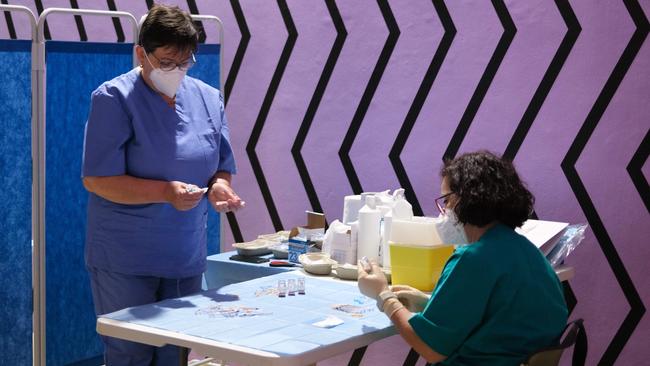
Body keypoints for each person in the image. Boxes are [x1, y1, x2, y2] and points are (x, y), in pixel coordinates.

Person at [81, 4, 243, 365]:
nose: (177, 70)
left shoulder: (207, 98)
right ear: (141, 53)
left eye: (186, 62)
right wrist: (164, 192)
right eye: (167, 61)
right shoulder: (114, 98)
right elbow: (96, 179)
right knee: (130, 354)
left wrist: (219, 186)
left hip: (183, 254)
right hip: (125, 257)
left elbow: (220, 165)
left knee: (175, 353)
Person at [358, 151, 568, 365]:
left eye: (447, 200)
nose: (444, 210)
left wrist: (384, 296)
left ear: (468, 198)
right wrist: (428, 303)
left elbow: (431, 348)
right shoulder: (526, 251)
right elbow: (495, 313)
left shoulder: (473, 258)